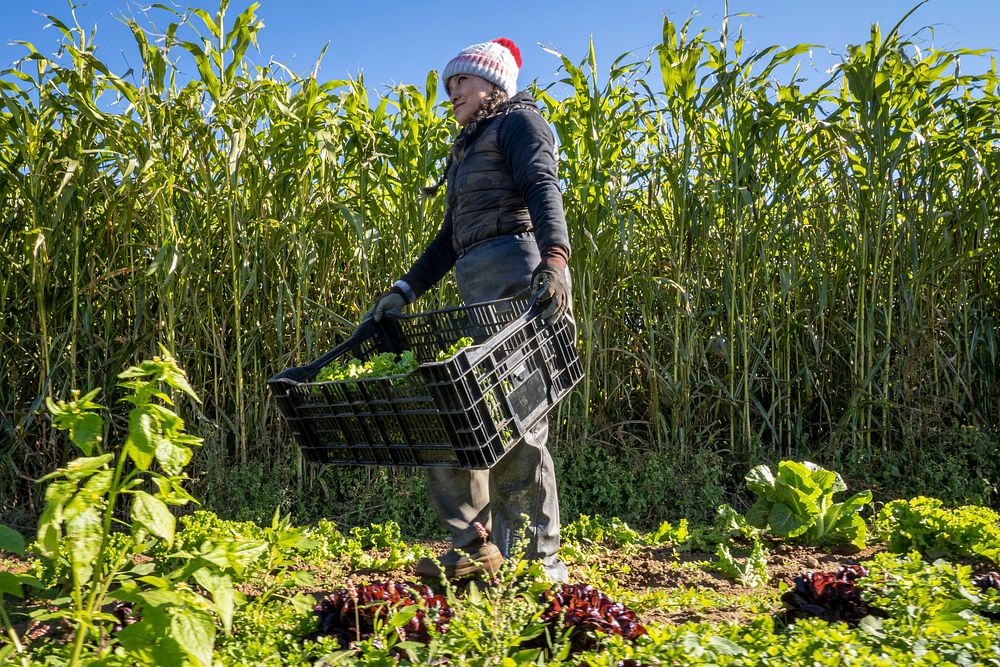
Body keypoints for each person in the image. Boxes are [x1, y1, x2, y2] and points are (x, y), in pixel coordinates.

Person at [367, 37, 572, 582]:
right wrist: (405, 288)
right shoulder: (467, 146)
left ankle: (539, 560)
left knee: (519, 423)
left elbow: (542, 188)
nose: (452, 91)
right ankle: (477, 547)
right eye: (449, 83)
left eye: (463, 80)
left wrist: (554, 260)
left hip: (515, 274)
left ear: (494, 85)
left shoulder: (519, 124)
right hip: (476, 282)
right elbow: (449, 238)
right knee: (462, 420)